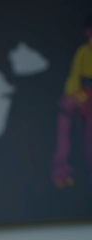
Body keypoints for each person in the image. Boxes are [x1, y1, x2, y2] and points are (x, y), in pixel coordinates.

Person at [52, 14, 92, 188]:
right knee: (64, 118)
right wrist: (73, 96)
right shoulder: (84, 51)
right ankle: (61, 171)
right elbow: (74, 77)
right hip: (82, 94)